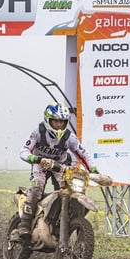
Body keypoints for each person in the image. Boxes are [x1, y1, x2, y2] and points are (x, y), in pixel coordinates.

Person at [18, 101, 99, 238]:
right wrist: (33, 158)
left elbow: (83, 153)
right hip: (40, 163)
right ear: (48, 120)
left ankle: (60, 222)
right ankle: (24, 225)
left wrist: (93, 169)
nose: (58, 125)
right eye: (55, 121)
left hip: (59, 166)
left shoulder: (69, 137)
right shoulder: (38, 132)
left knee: (69, 189)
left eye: (62, 122)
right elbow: (24, 150)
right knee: (37, 186)